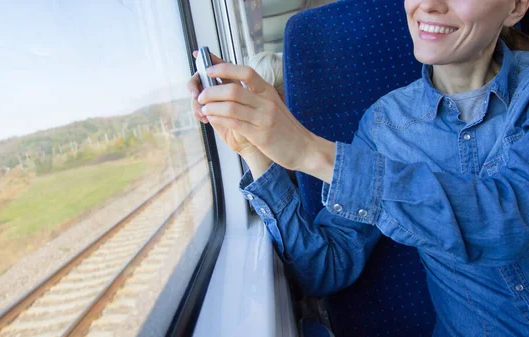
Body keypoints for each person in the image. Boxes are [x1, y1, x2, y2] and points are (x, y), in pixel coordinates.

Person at [188, 0, 529, 336]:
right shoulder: (385, 124)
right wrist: (253, 149)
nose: (429, 4)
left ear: (515, 7)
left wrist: (311, 152)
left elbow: (510, 224)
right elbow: (326, 266)